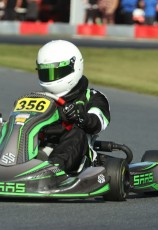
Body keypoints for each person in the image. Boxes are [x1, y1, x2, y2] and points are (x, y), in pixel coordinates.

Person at [36, 40, 111, 173]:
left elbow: (98, 122)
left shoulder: (92, 97)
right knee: (9, 125)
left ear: (73, 67)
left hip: (77, 156)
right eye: (45, 73)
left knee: (77, 131)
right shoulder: (40, 98)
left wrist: (80, 116)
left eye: (54, 73)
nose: (49, 78)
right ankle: (0, 164)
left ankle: (54, 169)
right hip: (40, 146)